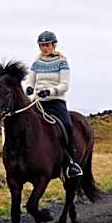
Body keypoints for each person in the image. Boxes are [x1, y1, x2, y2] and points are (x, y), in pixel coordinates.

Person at [23, 30, 83, 179]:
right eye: (42, 45)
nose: (44, 47)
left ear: (53, 45)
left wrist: (50, 91)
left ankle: (71, 163)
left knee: (67, 126)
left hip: (56, 102)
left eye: (47, 44)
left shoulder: (62, 62)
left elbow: (65, 85)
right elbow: (31, 79)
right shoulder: (36, 63)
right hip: (38, 102)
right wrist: (29, 88)